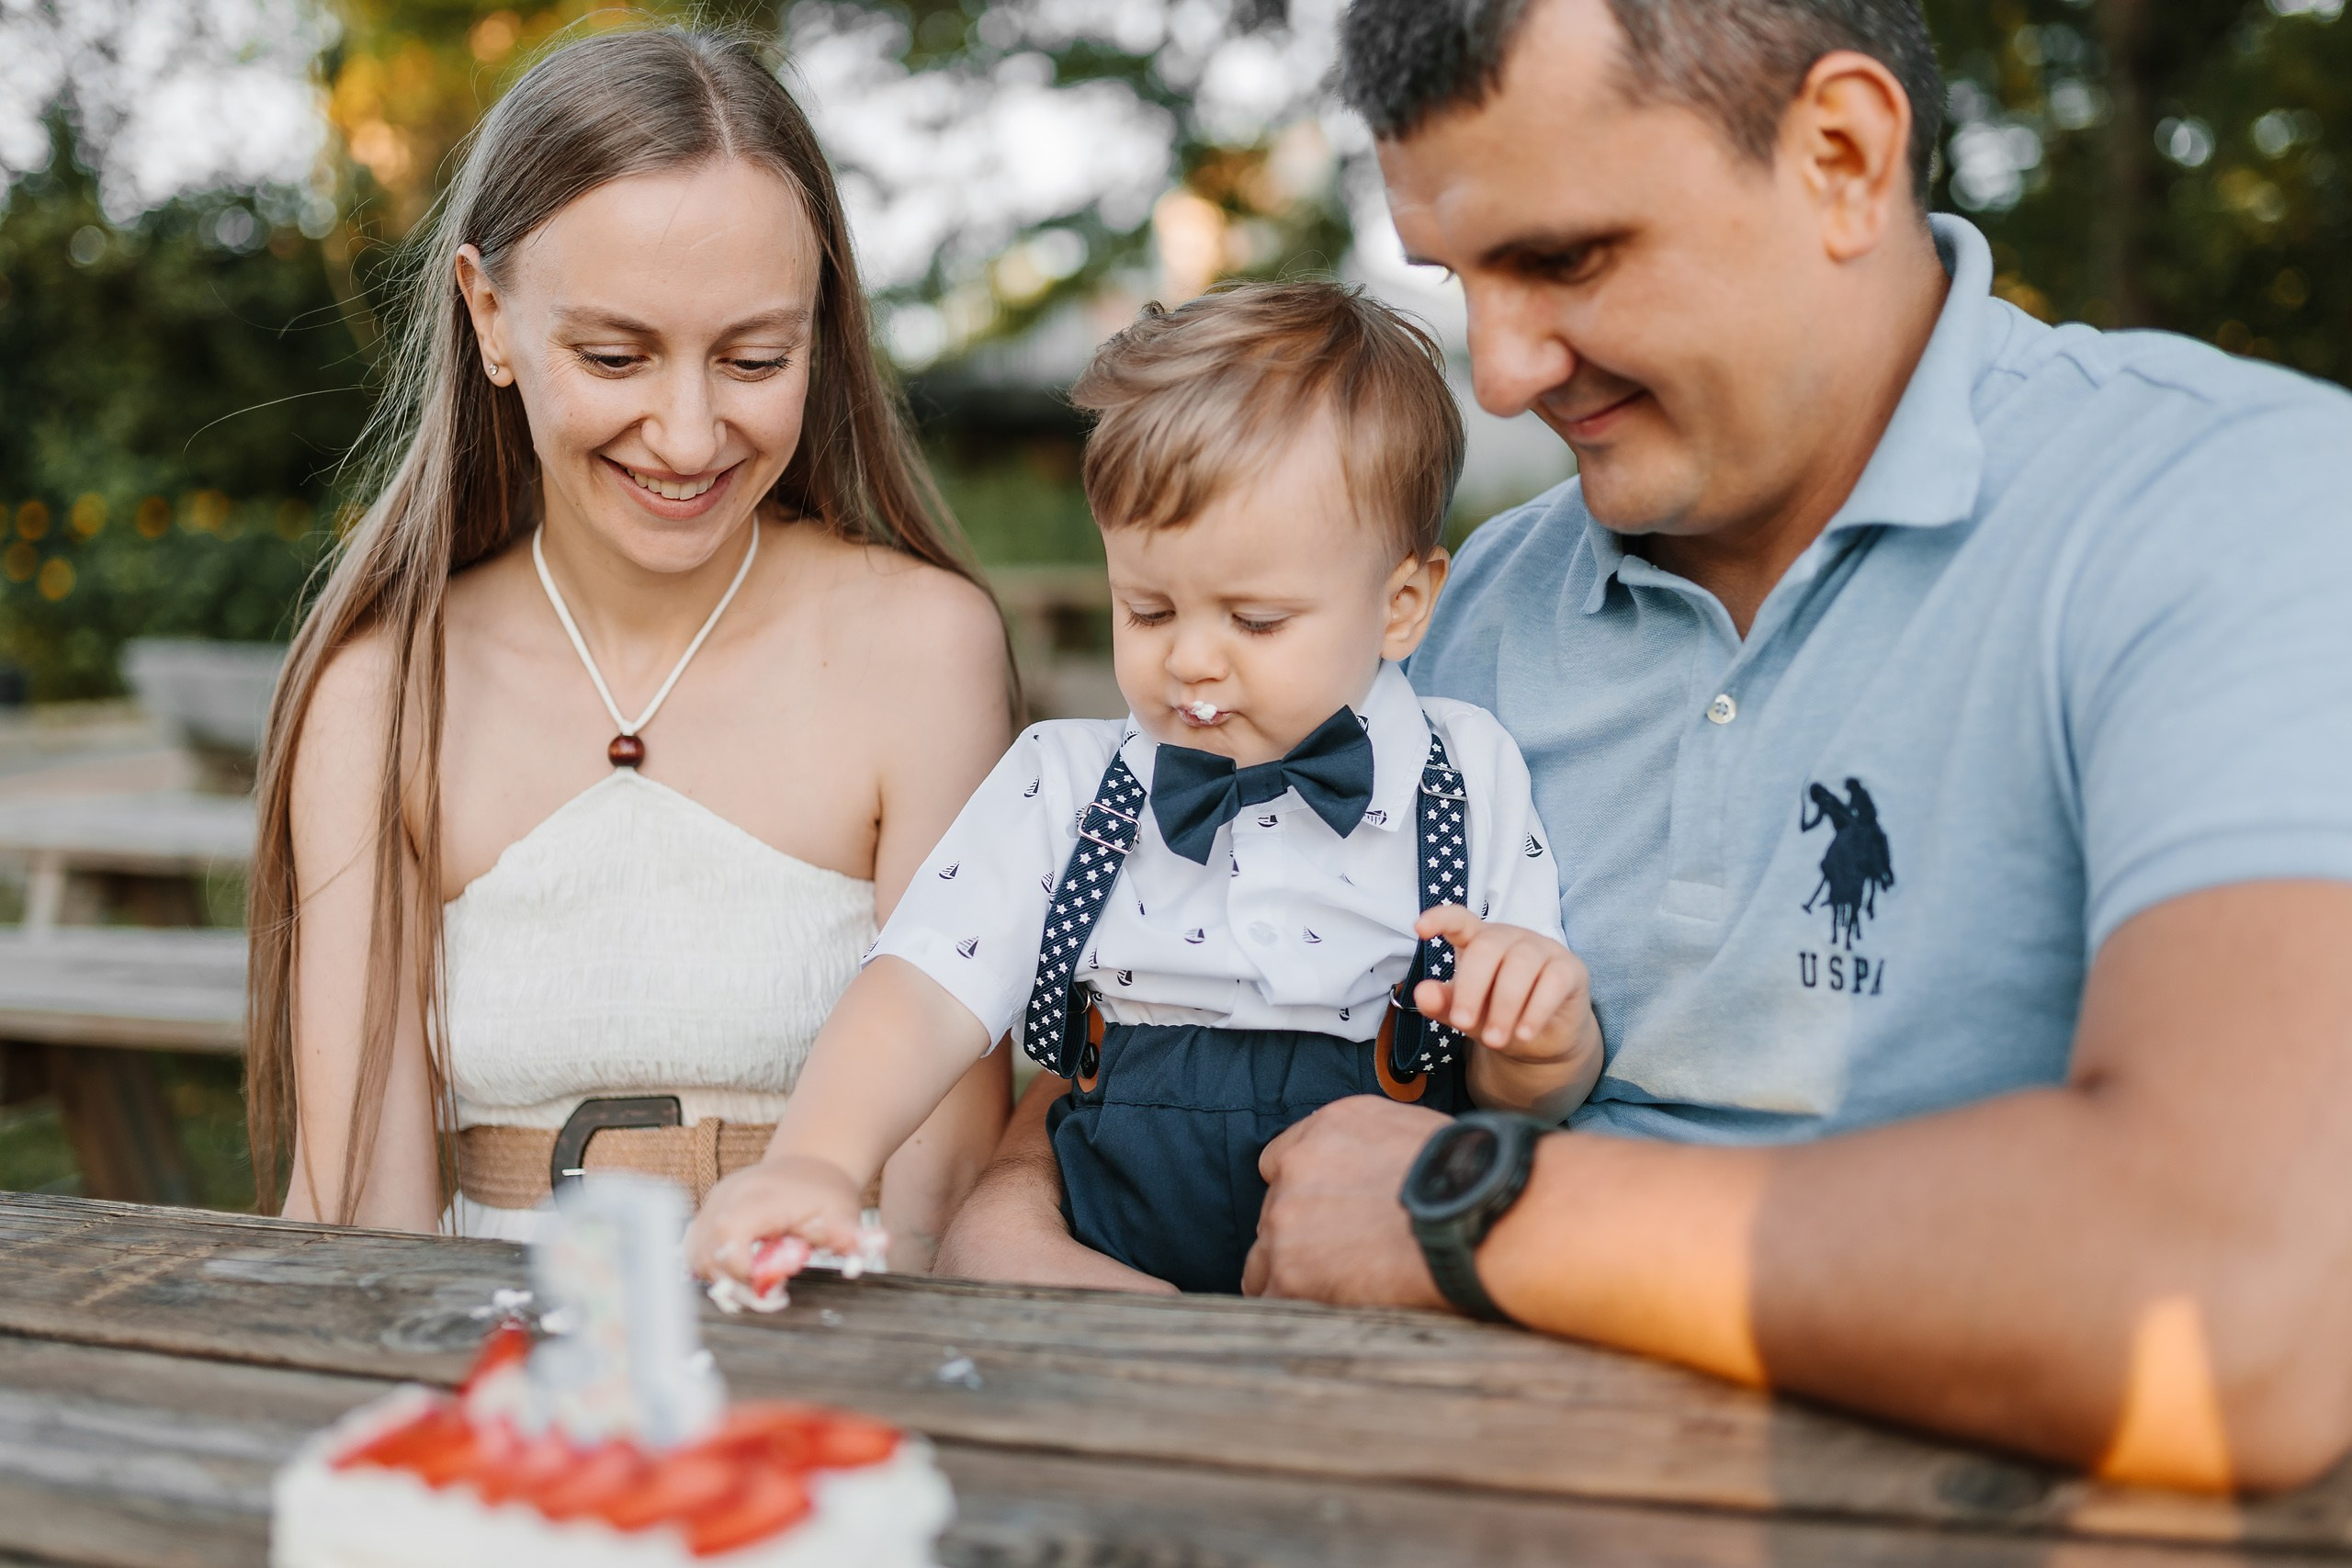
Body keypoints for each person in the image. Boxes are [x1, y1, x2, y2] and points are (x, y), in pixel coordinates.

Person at [937, 0, 2352, 1492]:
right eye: (1459, 278)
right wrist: (1014, 1214)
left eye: (1566, 259)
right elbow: (1169, 996)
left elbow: (2253, 1306)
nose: (1499, 373)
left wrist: (1470, 1202)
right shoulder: (1453, 614)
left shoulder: (2235, 510)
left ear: (1842, 158)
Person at [244, 28, 1012, 1267]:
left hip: (843, 1327)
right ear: (489, 315)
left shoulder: (926, 651)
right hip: (495, 1341)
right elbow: (355, 1214)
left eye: (755, 358)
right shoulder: (380, 693)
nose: (689, 433)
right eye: (615, 356)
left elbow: (943, 1185)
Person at [688, 283, 1602, 1296]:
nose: (1191, 661)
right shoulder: (1067, 783)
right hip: (1105, 1257)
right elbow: (923, 987)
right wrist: (818, 1160)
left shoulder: (1463, 775)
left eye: (1256, 621)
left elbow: (1519, 1097)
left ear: (1401, 605)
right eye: (1149, 610)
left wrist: (1541, 1042)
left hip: (1368, 1277)